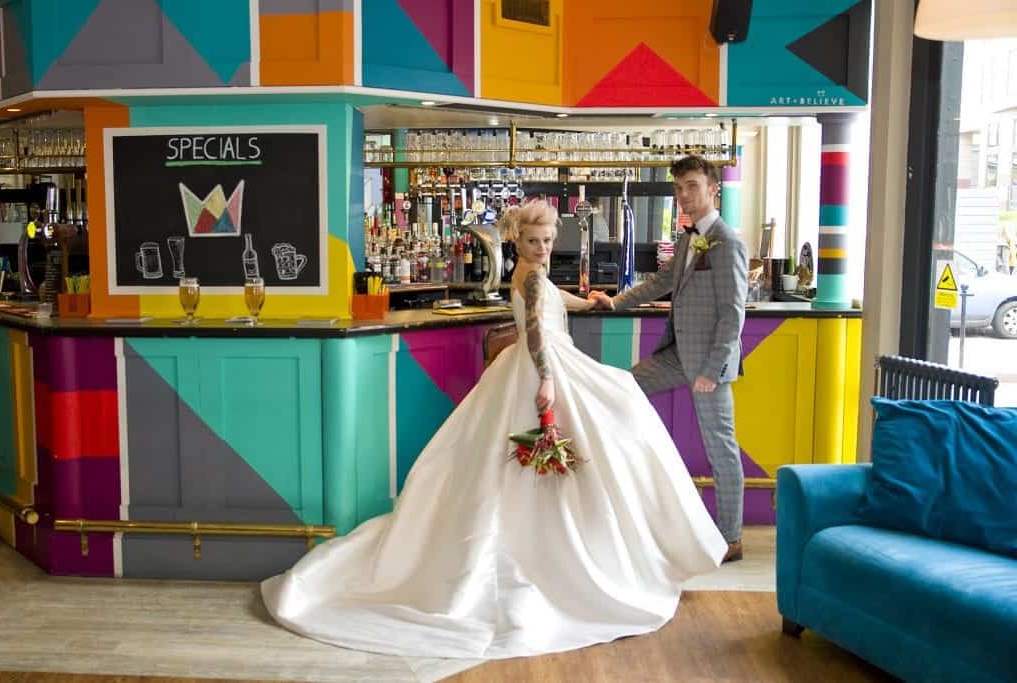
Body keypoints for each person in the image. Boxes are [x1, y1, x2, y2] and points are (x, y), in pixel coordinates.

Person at [261, 199, 726, 660]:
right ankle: (588, 555)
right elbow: (538, 330)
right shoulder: (533, 274)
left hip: (528, 366)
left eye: (547, 241)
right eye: (533, 241)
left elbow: (547, 295)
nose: (543, 248)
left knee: (572, 439)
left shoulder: (530, 273)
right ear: (516, 240)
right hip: (544, 367)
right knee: (622, 408)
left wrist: (585, 300)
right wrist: (545, 379)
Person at [589, 155, 749, 563]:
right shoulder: (687, 238)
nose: (683, 195)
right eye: (678, 188)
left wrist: (713, 371)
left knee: (721, 448)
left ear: (713, 189)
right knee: (623, 387)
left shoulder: (727, 242)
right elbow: (661, 282)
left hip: (710, 363)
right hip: (678, 353)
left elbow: (734, 313)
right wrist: (615, 302)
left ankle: (730, 538)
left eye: (691, 186)